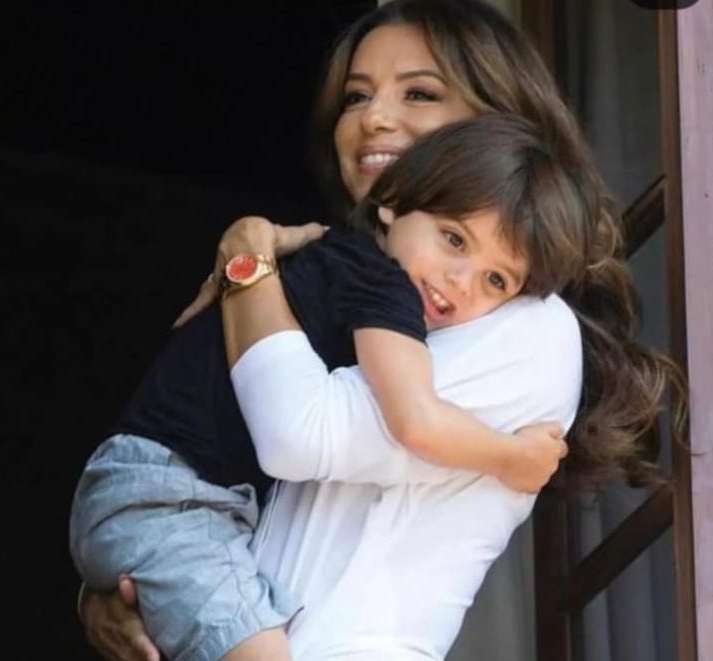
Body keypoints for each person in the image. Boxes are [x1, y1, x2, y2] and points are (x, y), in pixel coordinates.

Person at [79, 1, 687, 660]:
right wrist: (125, 579)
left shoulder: (530, 326)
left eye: (418, 92)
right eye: (357, 96)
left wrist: (246, 261)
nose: (374, 118)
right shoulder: (357, 286)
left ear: (499, 126)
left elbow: (298, 433)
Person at [69, 114, 576, 661]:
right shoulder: (385, 287)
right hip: (174, 498)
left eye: (496, 280)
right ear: (394, 201)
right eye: (454, 239)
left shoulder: (334, 258)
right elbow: (414, 418)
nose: (461, 280)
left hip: (156, 492)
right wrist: (512, 457)